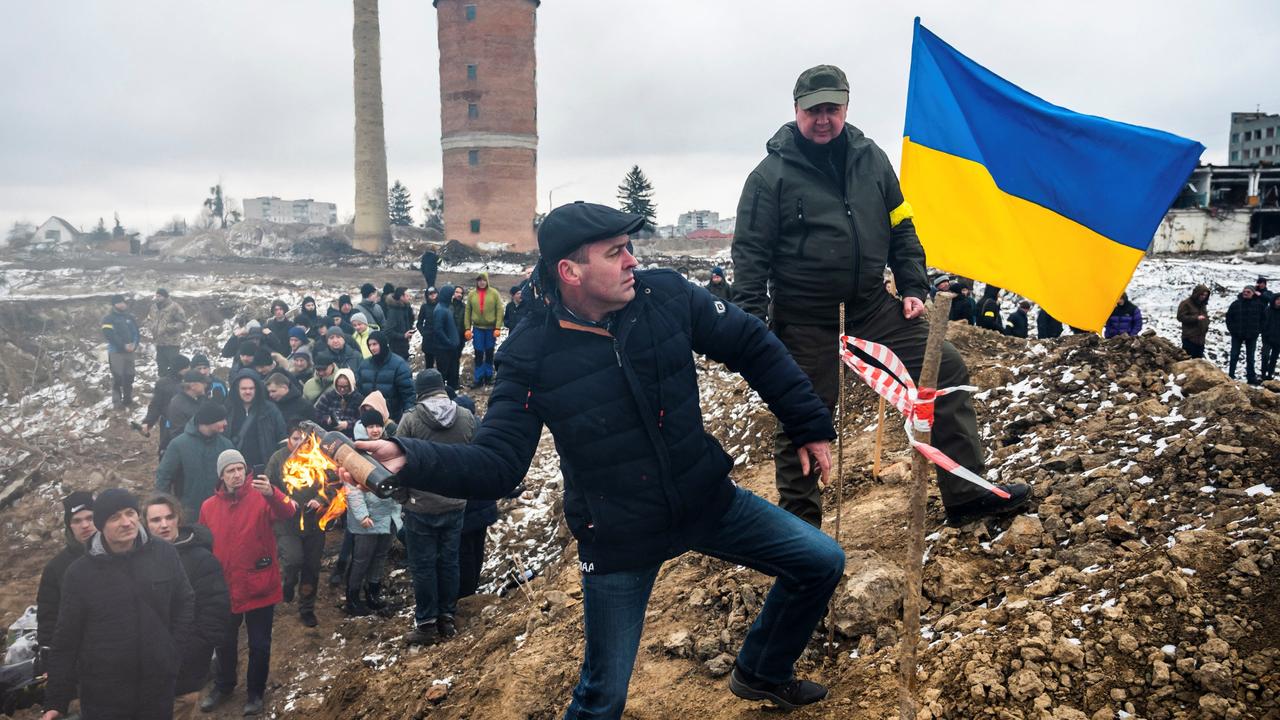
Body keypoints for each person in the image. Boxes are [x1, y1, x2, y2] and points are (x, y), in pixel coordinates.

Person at [348, 202, 845, 715]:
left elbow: (751, 343)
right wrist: (410, 456)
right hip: (618, 535)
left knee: (821, 562)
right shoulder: (531, 351)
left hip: (705, 499)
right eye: (615, 252)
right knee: (603, 696)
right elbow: (499, 463)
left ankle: (762, 670)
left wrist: (806, 422)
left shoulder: (665, 296)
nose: (632, 260)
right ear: (571, 271)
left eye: (629, 248)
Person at [730, 64, 1028, 530]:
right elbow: (749, 257)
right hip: (804, 319)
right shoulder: (769, 178)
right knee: (800, 417)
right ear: (796, 111)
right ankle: (801, 534)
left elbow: (901, 226)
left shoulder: (873, 160)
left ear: (846, 107)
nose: (823, 119)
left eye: (832, 108)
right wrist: (748, 328)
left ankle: (969, 495)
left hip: (872, 306)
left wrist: (911, 283)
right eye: (814, 111)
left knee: (944, 369)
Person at [41, 489, 194, 720]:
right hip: (104, 695)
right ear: (100, 525)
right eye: (115, 517)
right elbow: (66, 639)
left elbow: (184, 601)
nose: (126, 522)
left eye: (130, 513)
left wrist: (171, 650)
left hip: (156, 687)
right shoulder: (80, 573)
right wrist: (56, 700)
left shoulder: (163, 554)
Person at [199, 450, 297, 716]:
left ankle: (255, 692)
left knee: (260, 644)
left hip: (260, 584)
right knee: (225, 642)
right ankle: (224, 685)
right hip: (226, 588)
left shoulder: (262, 496)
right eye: (230, 470)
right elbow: (203, 546)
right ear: (221, 475)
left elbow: (289, 511)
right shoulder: (208, 507)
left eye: (240, 468)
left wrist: (272, 493)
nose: (237, 474)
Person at [394, 370, 476, 643]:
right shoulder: (466, 417)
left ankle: (427, 623)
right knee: (449, 561)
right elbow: (477, 455)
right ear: (442, 387)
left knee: (423, 565)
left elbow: (396, 464)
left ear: (419, 392)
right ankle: (447, 617)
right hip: (455, 503)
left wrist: (403, 498)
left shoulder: (411, 419)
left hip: (421, 506)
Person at [142, 493, 230, 720]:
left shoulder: (201, 559)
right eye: (155, 520)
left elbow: (214, 616)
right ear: (145, 524)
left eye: (169, 517)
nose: (163, 525)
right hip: (144, 676)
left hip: (184, 674)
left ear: (178, 519)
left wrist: (186, 657)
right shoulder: (137, 560)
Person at [265, 422, 326, 627]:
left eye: (303, 439)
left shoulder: (317, 457)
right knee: (292, 560)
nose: (299, 443)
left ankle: (307, 608)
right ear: (288, 439)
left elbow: (332, 482)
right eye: (295, 439)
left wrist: (320, 498)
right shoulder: (278, 458)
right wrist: (283, 500)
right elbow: (268, 487)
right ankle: (288, 583)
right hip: (287, 521)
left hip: (314, 521)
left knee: (311, 566)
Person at [341, 432, 400, 617]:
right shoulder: (356, 466)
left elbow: (396, 489)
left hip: (388, 518)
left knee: (380, 556)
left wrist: (397, 513)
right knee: (362, 558)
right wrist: (362, 516)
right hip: (367, 522)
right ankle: (352, 597)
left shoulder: (391, 464)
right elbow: (353, 492)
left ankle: (372, 592)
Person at [36, 492, 95, 664]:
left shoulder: (117, 554)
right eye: (77, 521)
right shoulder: (56, 568)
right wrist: (49, 656)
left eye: (90, 518)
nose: (85, 525)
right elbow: (48, 618)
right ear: (69, 526)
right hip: (81, 656)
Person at [156, 401, 236, 520]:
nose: (225, 423)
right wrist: (164, 507)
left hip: (222, 512)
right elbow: (164, 477)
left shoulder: (226, 444)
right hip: (190, 513)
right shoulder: (179, 445)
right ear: (208, 421)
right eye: (221, 419)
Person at [452, 394, 497, 599]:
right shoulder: (483, 432)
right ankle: (472, 587)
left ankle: (465, 593)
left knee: (465, 552)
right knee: (477, 549)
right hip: (485, 506)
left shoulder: (461, 436)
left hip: (468, 508)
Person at [355, 330, 415, 421]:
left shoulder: (399, 365)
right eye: (370, 345)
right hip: (369, 418)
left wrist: (408, 417)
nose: (372, 348)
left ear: (382, 344)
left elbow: (408, 395)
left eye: (375, 344)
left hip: (392, 417)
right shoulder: (364, 365)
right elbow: (359, 390)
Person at [141, 354, 190, 453]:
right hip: (168, 425)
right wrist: (148, 422)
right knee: (166, 450)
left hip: (187, 423)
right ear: (180, 368)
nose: (189, 368)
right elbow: (156, 405)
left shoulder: (191, 382)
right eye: (187, 366)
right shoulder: (163, 383)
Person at [464, 272, 504, 387]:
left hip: (491, 329)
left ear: (487, 281)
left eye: (483, 280)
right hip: (478, 328)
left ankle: (489, 376)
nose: (481, 282)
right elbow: (467, 311)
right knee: (479, 353)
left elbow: (499, 310)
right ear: (477, 282)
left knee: (490, 352)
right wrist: (467, 328)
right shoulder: (472, 294)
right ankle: (478, 377)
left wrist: (497, 327)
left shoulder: (494, 293)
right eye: (479, 280)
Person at [101, 294, 140, 408]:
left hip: (130, 352)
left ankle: (128, 400)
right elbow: (109, 335)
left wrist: (134, 344)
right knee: (117, 377)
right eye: (119, 302)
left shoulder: (129, 317)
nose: (122, 304)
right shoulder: (108, 318)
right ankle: (117, 403)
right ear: (114, 304)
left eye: (123, 302)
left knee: (130, 376)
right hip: (116, 352)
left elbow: (136, 332)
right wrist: (123, 346)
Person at [1226, 285, 1265, 385]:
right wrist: (1232, 331)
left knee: (1250, 357)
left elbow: (1263, 319)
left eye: (1248, 292)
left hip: (1252, 335)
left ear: (1253, 293)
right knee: (1234, 355)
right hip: (1237, 335)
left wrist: (1258, 330)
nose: (1245, 293)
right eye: (1244, 291)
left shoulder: (1259, 305)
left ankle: (1251, 378)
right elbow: (1229, 318)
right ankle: (1230, 376)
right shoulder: (1235, 304)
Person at [149, 288, 188, 377]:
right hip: (159, 343)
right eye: (157, 296)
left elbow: (182, 323)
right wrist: (151, 326)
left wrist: (167, 328)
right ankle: (163, 387)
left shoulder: (175, 307)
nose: (157, 298)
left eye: (160, 296)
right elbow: (149, 319)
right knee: (161, 368)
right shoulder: (154, 307)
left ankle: (176, 386)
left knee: (174, 367)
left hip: (172, 344)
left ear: (165, 297)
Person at [315, 368, 364, 437]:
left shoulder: (359, 399)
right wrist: (327, 419)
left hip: (350, 436)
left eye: (345, 387)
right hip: (329, 434)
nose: (342, 389)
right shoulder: (328, 396)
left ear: (351, 384)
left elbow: (363, 420)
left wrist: (347, 424)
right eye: (339, 386)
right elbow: (317, 413)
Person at [166, 370, 210, 439]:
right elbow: (178, 432)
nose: (205, 385)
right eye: (202, 383)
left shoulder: (201, 399)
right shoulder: (178, 404)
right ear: (193, 386)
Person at [435, 285, 464, 390]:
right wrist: (448, 342)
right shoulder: (440, 309)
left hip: (451, 348)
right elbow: (438, 329)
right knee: (443, 372)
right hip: (444, 348)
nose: (453, 297)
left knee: (453, 371)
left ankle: (453, 389)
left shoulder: (445, 307)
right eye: (452, 294)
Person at [1177, 284, 1211, 358]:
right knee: (1188, 363)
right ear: (1197, 293)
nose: (1203, 297)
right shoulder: (1186, 303)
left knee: (1198, 364)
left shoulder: (1203, 305)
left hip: (1201, 340)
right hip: (1189, 338)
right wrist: (1196, 318)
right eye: (1202, 294)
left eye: (1205, 295)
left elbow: (1205, 317)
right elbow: (1180, 317)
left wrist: (1207, 322)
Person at [384, 287, 416, 360]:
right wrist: (403, 336)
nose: (410, 297)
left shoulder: (405, 307)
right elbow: (388, 331)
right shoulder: (393, 312)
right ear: (401, 297)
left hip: (404, 347)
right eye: (407, 295)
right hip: (396, 350)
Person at [416, 286, 439, 368]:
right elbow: (419, 323)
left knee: (441, 364)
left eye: (434, 293)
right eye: (430, 294)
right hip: (428, 339)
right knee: (429, 365)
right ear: (427, 295)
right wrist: (424, 333)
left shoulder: (441, 305)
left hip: (440, 338)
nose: (433, 295)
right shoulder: (424, 307)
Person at [1263, 294, 1280, 381]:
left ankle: (1270, 374)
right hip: (1267, 337)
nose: (1279, 301)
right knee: (1265, 356)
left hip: (1278, 339)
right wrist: (1265, 332)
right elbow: (1263, 322)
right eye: (1277, 299)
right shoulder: (1268, 310)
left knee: (1274, 358)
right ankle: (1263, 373)